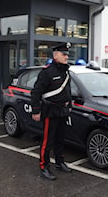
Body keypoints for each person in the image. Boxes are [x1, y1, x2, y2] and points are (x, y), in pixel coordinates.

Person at [31, 42, 73, 180]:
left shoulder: (66, 71)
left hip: (62, 111)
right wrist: (36, 111)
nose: (66, 57)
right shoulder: (47, 72)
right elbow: (36, 92)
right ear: (55, 55)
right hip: (50, 111)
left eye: (67, 54)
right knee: (47, 141)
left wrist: (69, 105)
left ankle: (60, 163)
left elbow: (67, 90)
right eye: (63, 54)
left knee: (61, 139)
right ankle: (44, 167)